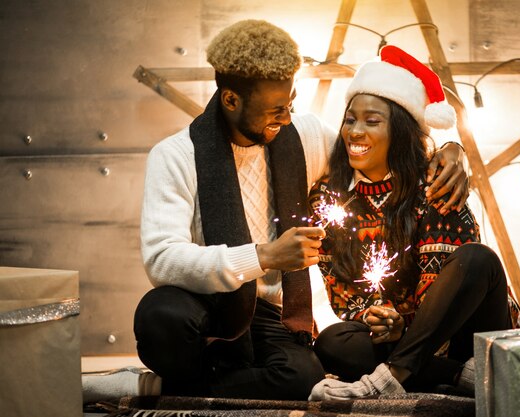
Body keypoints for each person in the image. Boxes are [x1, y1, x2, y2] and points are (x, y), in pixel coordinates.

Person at [82, 21, 470, 403]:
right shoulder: (176, 155)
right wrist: (264, 256)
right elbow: (161, 258)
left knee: (302, 377)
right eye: (274, 110)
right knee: (160, 318)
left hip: (271, 313)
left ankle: (159, 388)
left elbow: (379, 146)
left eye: (290, 104)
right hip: (206, 303)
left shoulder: (305, 135)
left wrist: (451, 150)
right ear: (231, 100)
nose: (285, 119)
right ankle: (217, 375)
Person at [306, 45, 520, 401]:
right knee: (333, 342)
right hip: (402, 343)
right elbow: (341, 288)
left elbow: (447, 297)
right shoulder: (328, 198)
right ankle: (460, 378)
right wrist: (377, 318)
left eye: (372, 121)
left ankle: (395, 375)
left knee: (477, 259)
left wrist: (403, 324)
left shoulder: (436, 186)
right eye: (350, 119)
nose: (355, 131)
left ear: (401, 132)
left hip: (464, 334)